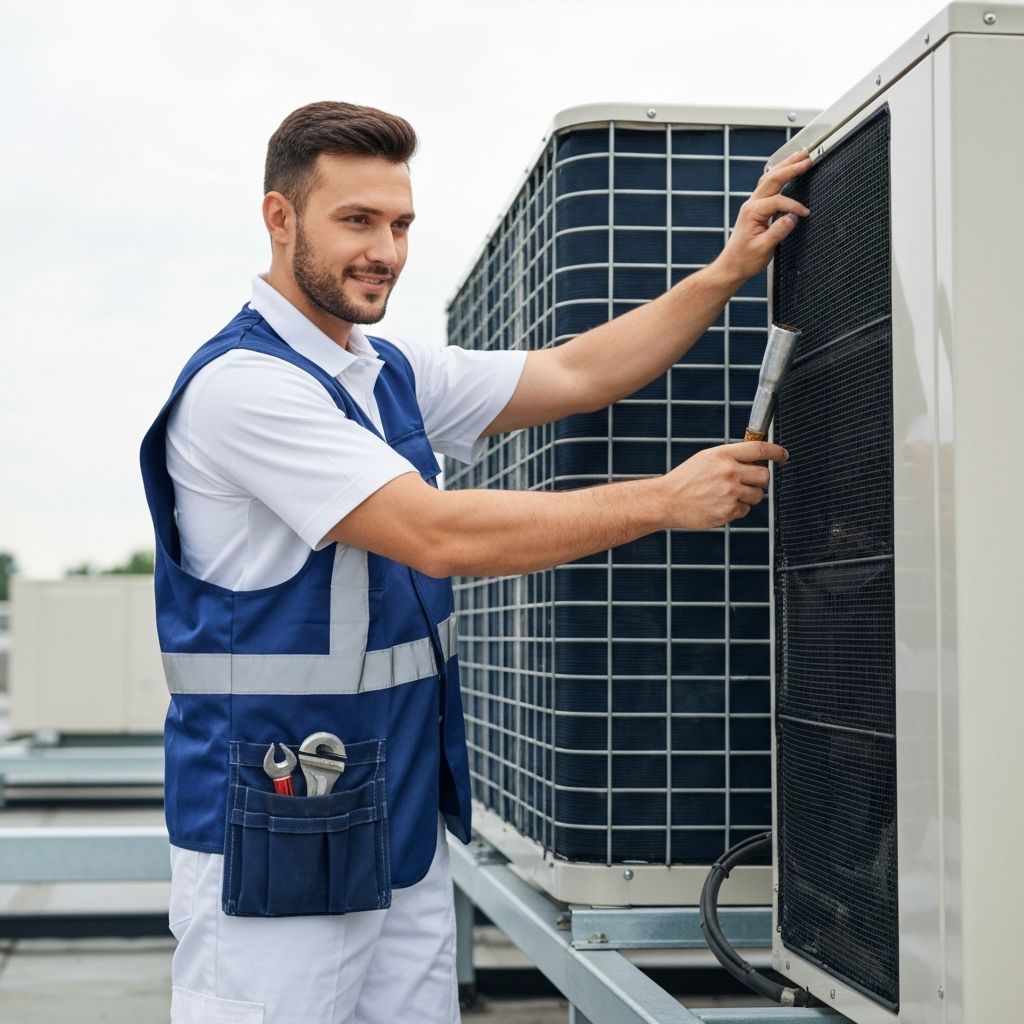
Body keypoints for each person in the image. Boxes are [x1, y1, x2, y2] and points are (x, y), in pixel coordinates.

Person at [140, 100, 809, 1024]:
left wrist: (729, 270)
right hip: (275, 825)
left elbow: (577, 375)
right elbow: (437, 534)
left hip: (393, 815)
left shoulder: (381, 370)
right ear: (280, 219)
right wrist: (664, 499)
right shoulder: (244, 389)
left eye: (401, 223)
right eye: (357, 221)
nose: (385, 249)